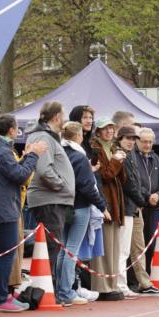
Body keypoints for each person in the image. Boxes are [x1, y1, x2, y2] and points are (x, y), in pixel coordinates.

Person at [0, 115, 47, 312]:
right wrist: (33, 155)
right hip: (3, 208)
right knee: (7, 254)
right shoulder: (2, 151)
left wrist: (26, 157)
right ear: (11, 130)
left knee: (1, 254)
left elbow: (13, 171)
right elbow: (20, 175)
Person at [26, 101, 75, 284]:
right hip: (49, 200)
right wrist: (61, 185)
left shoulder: (47, 137)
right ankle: (45, 289)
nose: (65, 119)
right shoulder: (43, 137)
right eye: (64, 115)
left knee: (51, 246)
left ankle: (46, 288)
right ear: (56, 117)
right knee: (50, 247)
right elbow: (44, 169)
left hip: (53, 199)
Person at [57, 121, 106, 306]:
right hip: (80, 206)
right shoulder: (79, 156)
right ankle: (66, 292)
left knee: (64, 249)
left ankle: (61, 289)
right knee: (72, 250)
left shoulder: (60, 153)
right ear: (78, 136)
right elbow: (87, 186)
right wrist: (102, 206)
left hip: (63, 205)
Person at [90, 117, 127, 300]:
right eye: (105, 128)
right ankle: (102, 286)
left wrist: (120, 160)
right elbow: (104, 175)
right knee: (103, 247)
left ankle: (112, 284)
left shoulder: (113, 148)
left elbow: (122, 179)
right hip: (104, 202)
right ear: (98, 131)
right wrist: (116, 161)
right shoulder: (95, 149)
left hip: (115, 204)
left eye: (111, 128)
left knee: (114, 248)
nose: (109, 131)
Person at [114, 125, 148, 297]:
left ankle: (121, 284)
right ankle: (120, 285)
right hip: (124, 207)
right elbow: (128, 184)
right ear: (120, 138)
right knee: (122, 250)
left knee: (124, 249)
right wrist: (141, 200)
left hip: (129, 207)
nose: (131, 141)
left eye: (133, 139)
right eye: (128, 138)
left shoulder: (129, 155)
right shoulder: (122, 156)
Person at [135, 127, 159, 275]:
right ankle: (135, 279)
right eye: (144, 141)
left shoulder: (156, 158)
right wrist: (148, 196)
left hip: (153, 207)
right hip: (139, 206)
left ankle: (147, 275)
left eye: (150, 142)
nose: (147, 145)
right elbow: (134, 182)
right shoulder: (133, 157)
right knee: (137, 244)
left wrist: (158, 194)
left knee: (150, 243)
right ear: (137, 141)